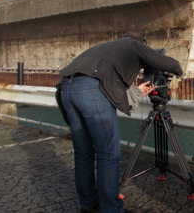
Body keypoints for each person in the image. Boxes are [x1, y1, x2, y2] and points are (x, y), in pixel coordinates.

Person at [56, 32, 183, 213]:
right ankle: (111, 209)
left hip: (66, 89)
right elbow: (168, 64)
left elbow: (108, 79)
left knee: (83, 154)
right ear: (140, 43)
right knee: (108, 155)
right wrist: (178, 69)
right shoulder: (133, 44)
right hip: (91, 91)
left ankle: (88, 205)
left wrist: (137, 91)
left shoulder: (107, 49)